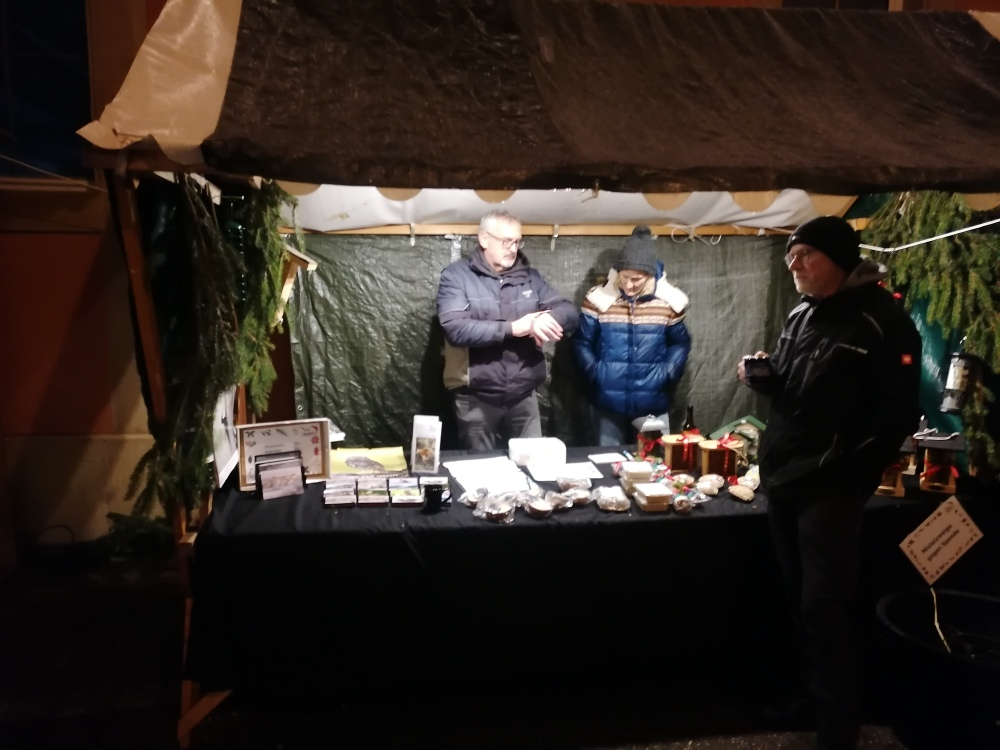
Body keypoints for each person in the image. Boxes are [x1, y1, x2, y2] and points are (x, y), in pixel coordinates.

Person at [738, 215, 922, 750]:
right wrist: (764, 376)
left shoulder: (883, 322)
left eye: (805, 255)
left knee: (824, 609)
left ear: (839, 260)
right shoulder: (803, 312)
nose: (793, 264)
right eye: (791, 255)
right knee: (797, 601)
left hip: (829, 489)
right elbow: (793, 385)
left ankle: (837, 729)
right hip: (785, 476)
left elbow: (894, 417)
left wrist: (849, 478)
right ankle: (807, 703)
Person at [436, 209, 577, 450]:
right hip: (475, 396)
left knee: (533, 463)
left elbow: (569, 312)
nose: (513, 248)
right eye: (506, 241)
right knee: (480, 466)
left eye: (517, 241)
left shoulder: (530, 278)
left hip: (523, 396)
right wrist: (515, 328)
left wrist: (547, 318)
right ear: (484, 239)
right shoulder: (456, 277)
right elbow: (456, 329)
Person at [573, 226, 691, 445]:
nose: (628, 284)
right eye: (624, 277)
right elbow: (581, 341)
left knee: (655, 460)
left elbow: (680, 343)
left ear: (649, 275)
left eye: (636, 279)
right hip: (608, 401)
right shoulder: (599, 299)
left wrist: (667, 372)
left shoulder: (668, 303)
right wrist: (597, 372)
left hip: (652, 400)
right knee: (607, 460)